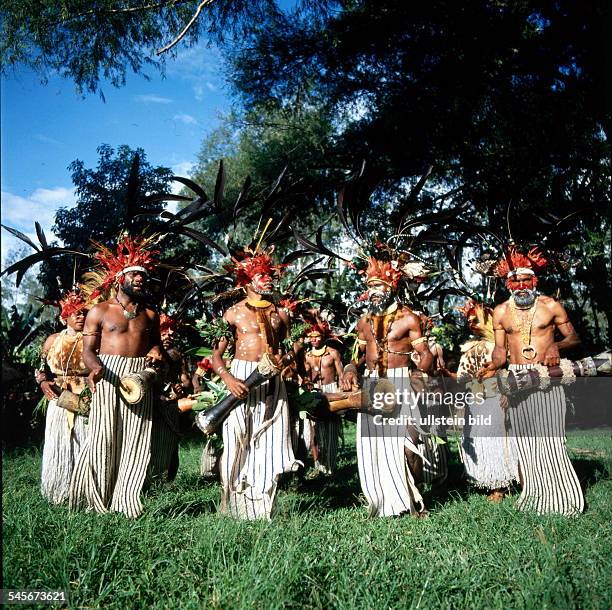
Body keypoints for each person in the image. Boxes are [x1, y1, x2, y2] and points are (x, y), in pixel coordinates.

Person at [477, 245, 584, 515]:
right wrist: (493, 365)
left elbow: (574, 337)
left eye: (526, 280)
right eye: (515, 281)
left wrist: (556, 348)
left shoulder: (550, 306)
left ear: (534, 280)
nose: (521, 285)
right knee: (524, 441)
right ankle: (535, 494)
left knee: (551, 437)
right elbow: (501, 352)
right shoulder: (500, 312)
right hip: (516, 378)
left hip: (547, 377)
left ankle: (563, 498)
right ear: (508, 283)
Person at [69, 235, 165, 518]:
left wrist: (157, 352)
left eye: (143, 275)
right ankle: (95, 501)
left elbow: (156, 344)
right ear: (118, 277)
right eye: (134, 273)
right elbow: (88, 350)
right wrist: (95, 367)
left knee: (135, 439)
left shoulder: (150, 314)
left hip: (138, 375)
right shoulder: (100, 310)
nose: (140, 278)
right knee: (103, 437)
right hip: (107, 372)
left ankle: (126, 501)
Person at [204, 244, 301, 519]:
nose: (268, 279)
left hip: (272, 382)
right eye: (262, 275)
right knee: (235, 438)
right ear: (247, 280)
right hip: (241, 377)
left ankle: (260, 504)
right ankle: (230, 501)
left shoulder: (281, 313)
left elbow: (291, 347)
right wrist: (228, 378)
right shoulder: (233, 313)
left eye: (270, 275)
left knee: (267, 441)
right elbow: (216, 354)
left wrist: (287, 360)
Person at [341, 254, 433, 517]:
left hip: (400, 380)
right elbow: (356, 355)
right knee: (377, 446)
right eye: (370, 286)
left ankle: (415, 498)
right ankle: (384, 500)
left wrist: (422, 364)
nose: (374, 291)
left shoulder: (408, 319)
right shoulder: (364, 321)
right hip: (372, 383)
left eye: (379, 286)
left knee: (409, 443)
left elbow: (424, 355)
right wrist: (349, 368)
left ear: (391, 286)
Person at [442, 300, 518, 501]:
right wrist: (443, 373)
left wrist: (507, 393)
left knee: (494, 440)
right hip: (474, 400)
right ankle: (486, 480)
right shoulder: (471, 347)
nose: (471, 323)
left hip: (494, 398)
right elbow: (463, 378)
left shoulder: (501, 346)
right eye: (468, 320)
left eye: (475, 319)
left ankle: (500, 486)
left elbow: (509, 372)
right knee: (477, 439)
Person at [36, 289, 90, 504]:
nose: (81, 316)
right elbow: (39, 369)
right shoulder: (53, 341)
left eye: (84, 312)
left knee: (84, 440)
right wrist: (42, 382)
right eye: (75, 312)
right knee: (60, 442)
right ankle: (59, 491)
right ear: (64, 315)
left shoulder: (93, 340)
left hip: (86, 398)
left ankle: (85, 492)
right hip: (58, 398)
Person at [301, 320, 343, 475]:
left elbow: (341, 374)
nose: (314, 339)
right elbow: (304, 376)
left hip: (331, 389)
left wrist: (341, 392)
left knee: (331, 428)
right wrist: (305, 383)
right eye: (311, 336)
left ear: (323, 336)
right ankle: (319, 466)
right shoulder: (306, 356)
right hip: (314, 393)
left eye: (317, 336)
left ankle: (330, 469)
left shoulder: (332, 353)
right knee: (314, 430)